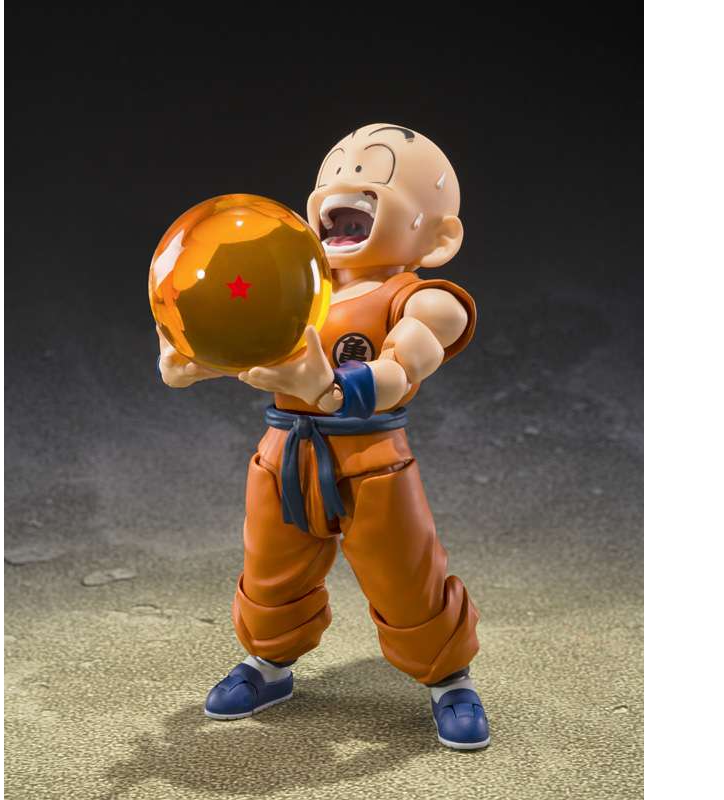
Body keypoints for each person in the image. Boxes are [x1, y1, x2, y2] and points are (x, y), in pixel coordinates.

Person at [157, 123, 489, 749]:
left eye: (374, 173)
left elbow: (404, 366)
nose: (345, 183)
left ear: (439, 237)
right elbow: (242, 343)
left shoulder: (423, 301)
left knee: (403, 574)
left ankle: (449, 677)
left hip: (373, 459)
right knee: (270, 567)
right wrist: (193, 357)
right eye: (333, 173)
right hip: (284, 453)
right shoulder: (294, 288)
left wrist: (333, 387)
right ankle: (268, 662)